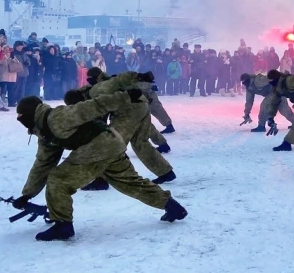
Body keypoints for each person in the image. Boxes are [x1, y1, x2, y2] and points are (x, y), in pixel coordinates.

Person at [12, 92, 187, 241]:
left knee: (58, 180)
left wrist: (126, 96)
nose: (20, 120)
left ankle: (62, 226)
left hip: (99, 146)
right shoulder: (44, 132)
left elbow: (95, 105)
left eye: (21, 116)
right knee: (130, 182)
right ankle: (172, 206)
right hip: (111, 144)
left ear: (31, 114)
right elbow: (42, 164)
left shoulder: (58, 117)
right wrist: (27, 194)